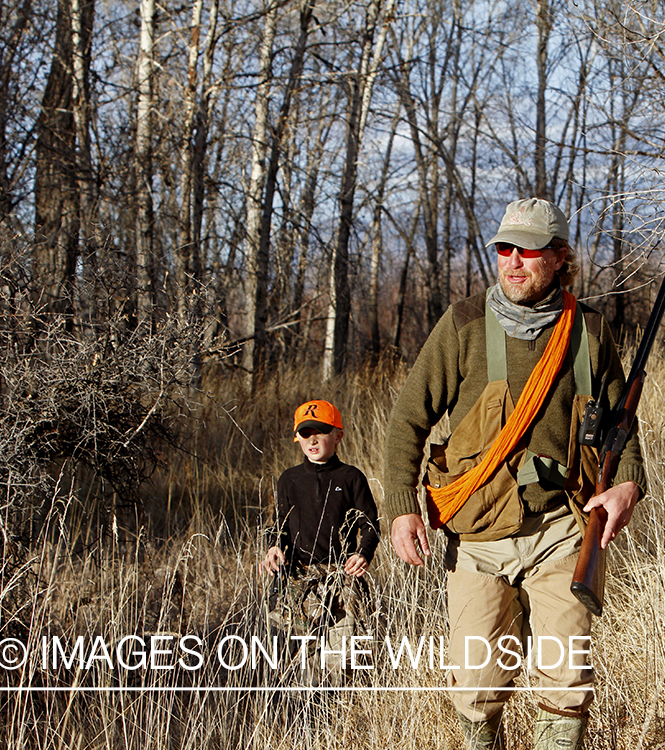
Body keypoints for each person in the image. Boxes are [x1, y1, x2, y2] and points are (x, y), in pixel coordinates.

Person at [382, 198, 645, 750]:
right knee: (476, 687)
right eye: (504, 249)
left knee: (567, 678)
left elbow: (623, 421)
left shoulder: (590, 331)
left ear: (559, 258)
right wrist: (402, 506)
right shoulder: (463, 325)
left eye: (528, 251)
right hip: (476, 534)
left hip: (563, 531)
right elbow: (408, 418)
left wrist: (627, 484)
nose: (513, 262)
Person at [260, 399, 380, 677]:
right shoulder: (289, 479)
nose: (312, 439)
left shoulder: (351, 477)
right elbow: (279, 524)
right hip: (300, 581)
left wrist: (363, 554)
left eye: (321, 431)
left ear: (338, 436)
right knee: (301, 659)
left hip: (342, 579)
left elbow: (371, 524)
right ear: (296, 438)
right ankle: (302, 710)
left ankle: (338, 709)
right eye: (304, 433)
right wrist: (274, 547)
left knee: (342, 658)